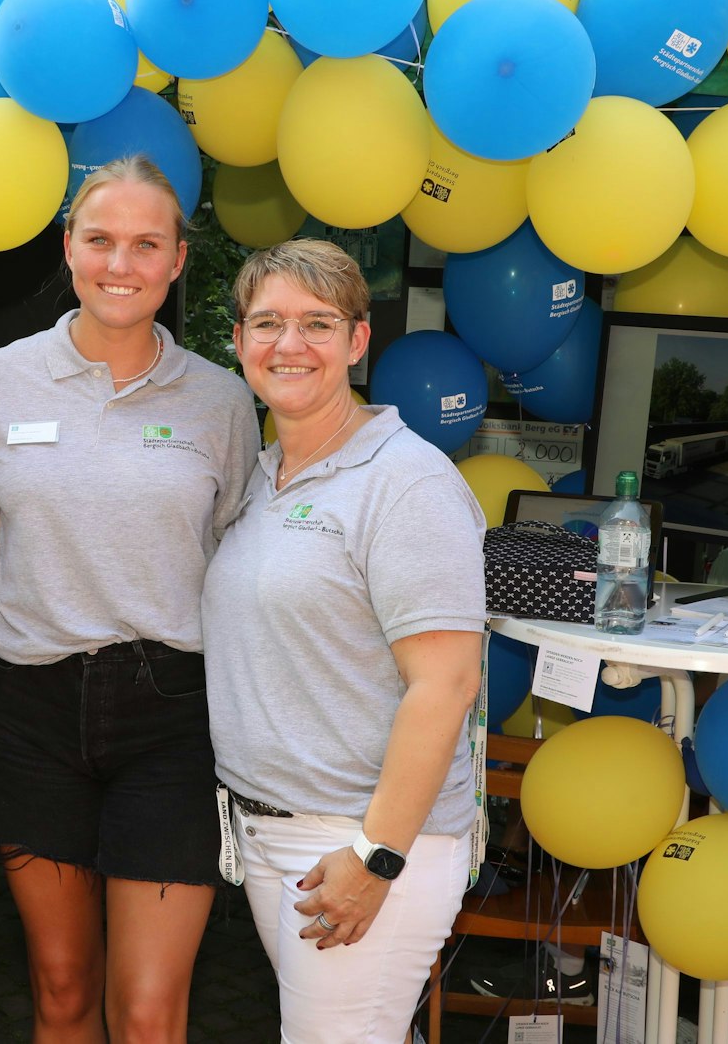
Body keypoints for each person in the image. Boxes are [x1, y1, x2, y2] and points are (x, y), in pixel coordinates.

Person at [0, 154, 258, 1043]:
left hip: (171, 719)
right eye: (100, 240)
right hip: (31, 712)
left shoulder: (223, 400)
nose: (120, 263)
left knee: (151, 1007)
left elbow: (241, 562)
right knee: (58, 987)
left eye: (145, 244)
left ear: (176, 260)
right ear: (69, 248)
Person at [199, 238, 485, 1043]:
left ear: (358, 342)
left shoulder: (407, 482)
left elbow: (446, 685)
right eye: (267, 323)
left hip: (359, 841)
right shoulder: (264, 474)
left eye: (317, 324)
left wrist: (376, 857)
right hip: (272, 834)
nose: (289, 345)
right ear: (239, 343)